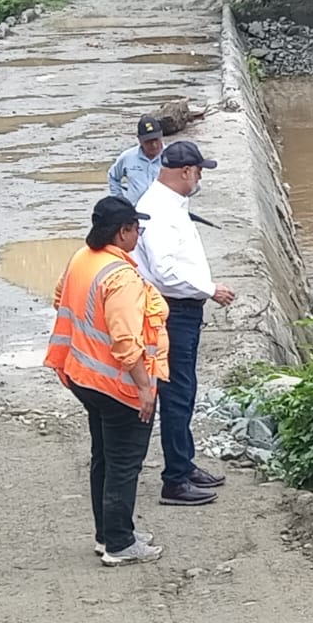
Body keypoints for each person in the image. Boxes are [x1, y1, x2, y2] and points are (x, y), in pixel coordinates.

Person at [45, 196, 170, 566]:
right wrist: (145, 388)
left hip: (83, 377)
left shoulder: (82, 259)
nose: (139, 234)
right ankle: (119, 544)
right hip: (118, 386)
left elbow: (59, 300)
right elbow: (126, 342)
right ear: (122, 232)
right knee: (123, 463)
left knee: (104, 456)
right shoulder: (121, 278)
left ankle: (109, 533)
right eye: (136, 228)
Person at [133, 140, 236, 506]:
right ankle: (175, 479)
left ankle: (184, 463)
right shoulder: (159, 211)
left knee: (185, 389)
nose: (200, 179)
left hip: (181, 309)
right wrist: (210, 289)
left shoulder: (169, 203)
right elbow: (164, 272)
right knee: (177, 392)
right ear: (186, 171)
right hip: (173, 311)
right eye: (199, 172)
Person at [108, 115, 166, 204]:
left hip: (164, 208)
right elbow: (113, 177)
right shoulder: (127, 157)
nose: (154, 145)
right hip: (135, 209)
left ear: (161, 135)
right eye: (148, 141)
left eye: (156, 140)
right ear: (139, 140)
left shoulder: (172, 157)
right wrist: (119, 200)